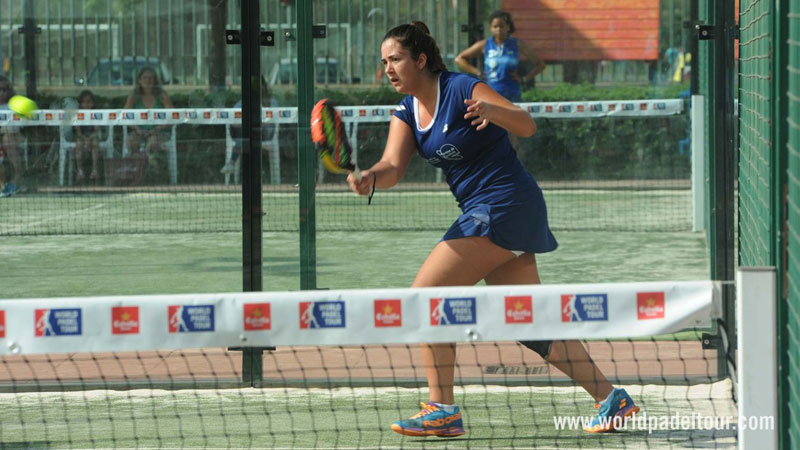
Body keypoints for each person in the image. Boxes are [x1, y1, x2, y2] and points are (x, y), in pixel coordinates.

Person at [346, 21, 638, 438]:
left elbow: (525, 123)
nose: (387, 68)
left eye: (395, 59)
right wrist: (370, 178)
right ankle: (612, 399)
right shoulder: (407, 110)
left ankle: (441, 409)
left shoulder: (463, 88)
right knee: (529, 322)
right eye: (384, 62)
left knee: (425, 298)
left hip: (504, 204)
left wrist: (491, 110)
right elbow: (392, 166)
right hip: (493, 210)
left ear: (421, 60)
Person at [454, 10, 546, 103]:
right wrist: (478, 73)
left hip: (512, 94)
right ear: (490, 28)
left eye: (501, 26)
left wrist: (524, 79)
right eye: (495, 26)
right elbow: (459, 59)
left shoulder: (517, 44)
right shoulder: (485, 44)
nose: (498, 29)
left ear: (508, 27)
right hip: (490, 94)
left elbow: (540, 64)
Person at [221, 76, 278, 176]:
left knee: (246, 132)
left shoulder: (271, 102)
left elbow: (272, 121)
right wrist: (242, 123)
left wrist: (256, 123)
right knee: (245, 132)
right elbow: (233, 120)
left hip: (264, 135)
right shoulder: (243, 102)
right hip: (245, 133)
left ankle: (232, 163)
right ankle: (254, 171)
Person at [124, 67, 174, 162]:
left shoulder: (162, 96)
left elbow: (172, 117)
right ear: (139, 80)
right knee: (131, 142)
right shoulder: (134, 96)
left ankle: (153, 168)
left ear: (155, 80)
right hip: (139, 131)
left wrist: (156, 129)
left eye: (151, 78)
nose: (148, 80)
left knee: (152, 143)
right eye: (145, 78)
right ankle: (136, 169)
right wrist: (138, 129)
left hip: (160, 132)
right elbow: (125, 117)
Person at [0, 75, 23, 197]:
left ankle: (16, 180)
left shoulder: (14, 105)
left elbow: (18, 130)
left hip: (12, 138)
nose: (2, 93)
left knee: (8, 139)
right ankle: (2, 185)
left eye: (5, 89)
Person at [73, 90, 101, 182]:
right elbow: (78, 132)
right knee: (79, 145)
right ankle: (80, 171)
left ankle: (95, 170)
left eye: (89, 101)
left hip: (92, 137)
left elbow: (96, 130)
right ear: (80, 104)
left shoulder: (96, 114)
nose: (87, 104)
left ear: (93, 103)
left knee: (95, 144)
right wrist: (85, 139)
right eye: (84, 102)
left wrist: (90, 139)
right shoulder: (77, 115)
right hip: (82, 137)